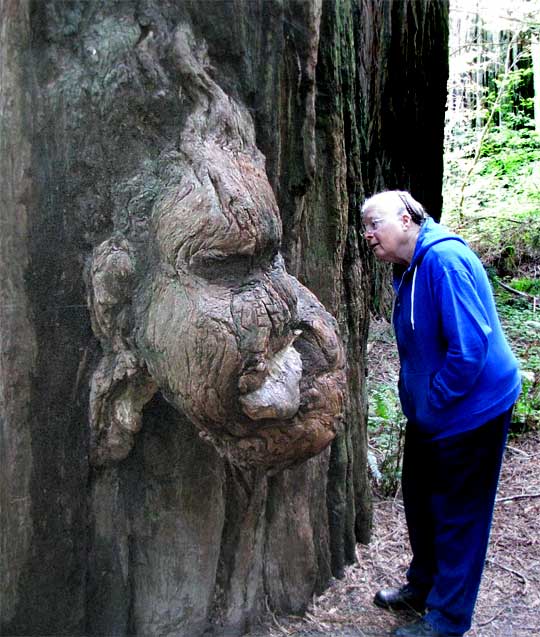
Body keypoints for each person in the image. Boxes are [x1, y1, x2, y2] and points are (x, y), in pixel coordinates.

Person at [361, 190, 521, 637]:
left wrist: (434, 399)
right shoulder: (409, 268)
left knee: (458, 514)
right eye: (364, 226)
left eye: (375, 223)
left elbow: (470, 349)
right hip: (435, 414)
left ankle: (447, 621)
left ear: (408, 220)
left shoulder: (444, 262)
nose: (367, 234)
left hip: (473, 411)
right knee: (420, 499)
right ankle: (425, 585)